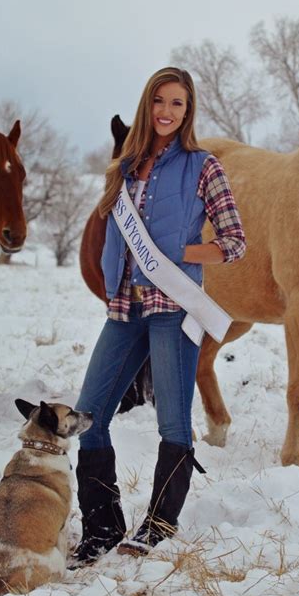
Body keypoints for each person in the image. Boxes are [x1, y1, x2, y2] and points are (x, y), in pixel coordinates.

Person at [72, 67, 246, 565]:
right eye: (160, 102)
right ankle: (102, 528)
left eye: (178, 104)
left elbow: (234, 243)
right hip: (124, 310)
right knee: (89, 416)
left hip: (173, 309)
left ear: (188, 112)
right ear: (147, 105)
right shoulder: (124, 167)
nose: (167, 112)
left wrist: (184, 252)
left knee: (173, 422)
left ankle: (159, 524)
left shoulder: (203, 166)